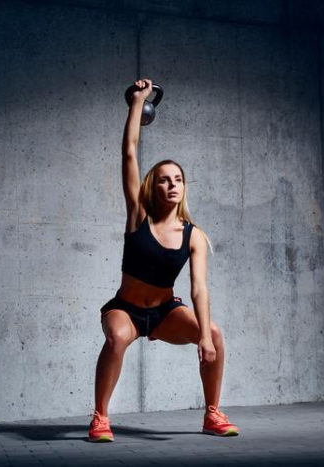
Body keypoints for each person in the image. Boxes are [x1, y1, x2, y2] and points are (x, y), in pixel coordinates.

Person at [88, 78, 240, 442]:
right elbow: (129, 152)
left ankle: (212, 414)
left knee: (215, 333)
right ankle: (100, 418)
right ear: (150, 186)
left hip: (165, 312)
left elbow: (199, 289)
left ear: (184, 187)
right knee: (116, 340)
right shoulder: (138, 216)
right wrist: (137, 103)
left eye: (178, 180)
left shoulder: (195, 235)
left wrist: (203, 335)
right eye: (163, 180)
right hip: (125, 307)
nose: (171, 185)